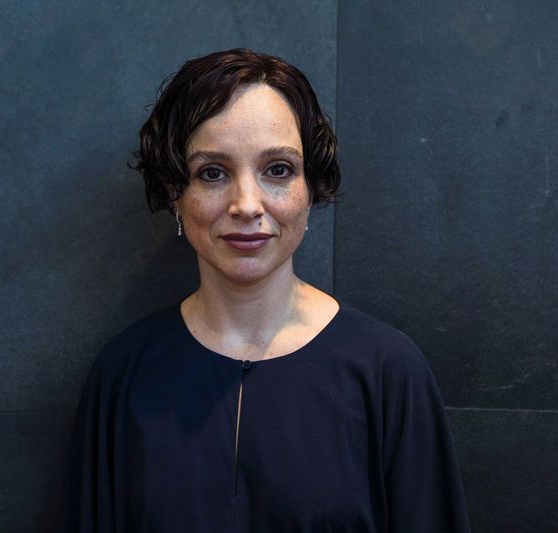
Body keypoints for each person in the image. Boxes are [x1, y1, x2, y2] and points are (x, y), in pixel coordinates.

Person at [58, 48, 470, 532]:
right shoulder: (123, 375)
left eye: (277, 169)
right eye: (212, 173)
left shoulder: (387, 371)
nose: (246, 205)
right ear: (175, 192)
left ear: (310, 186)